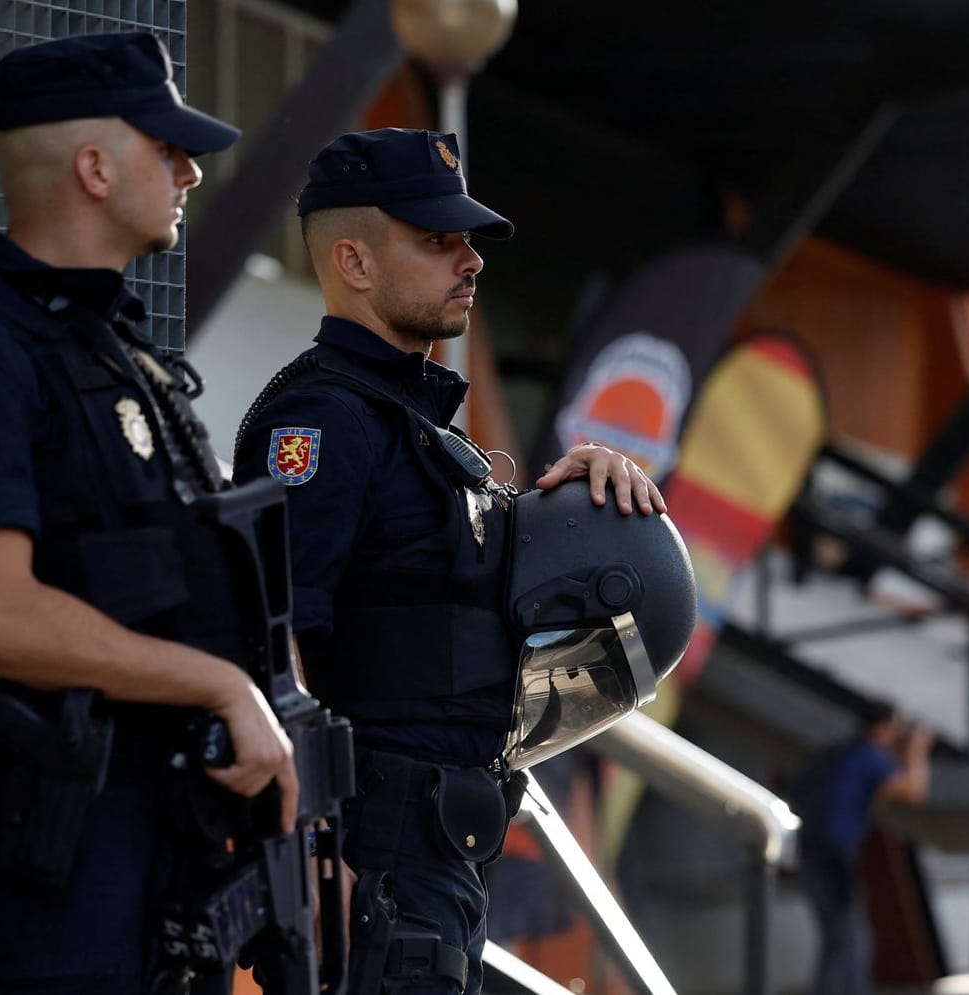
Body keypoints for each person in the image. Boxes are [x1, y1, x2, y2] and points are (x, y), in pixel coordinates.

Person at [0, 33, 296, 995]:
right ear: (94, 168)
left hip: (182, 851)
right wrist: (220, 687)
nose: (189, 170)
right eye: (166, 148)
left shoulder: (130, 362)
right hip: (78, 863)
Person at [231, 127, 666, 995]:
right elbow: (266, 648)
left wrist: (564, 508)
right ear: (352, 262)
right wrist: (316, 859)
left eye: (467, 240)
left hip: (435, 853)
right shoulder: (320, 424)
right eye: (436, 241)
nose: (469, 260)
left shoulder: (415, 427)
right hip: (368, 858)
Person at [790, 703, 933, 995]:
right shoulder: (868, 757)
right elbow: (914, 791)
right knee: (851, 938)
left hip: (811, 850)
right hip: (833, 855)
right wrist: (917, 750)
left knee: (836, 937)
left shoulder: (842, 752)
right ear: (882, 728)